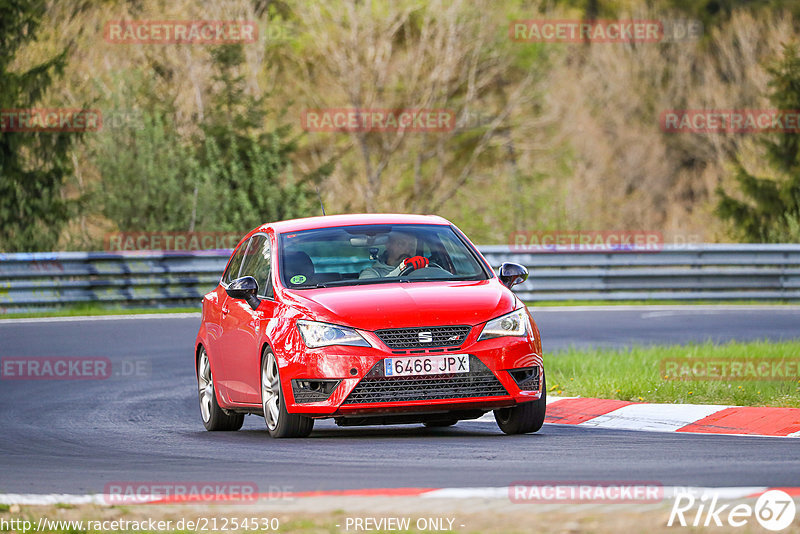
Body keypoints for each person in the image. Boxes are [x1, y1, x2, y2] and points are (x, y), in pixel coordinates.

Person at [359, 231, 429, 278]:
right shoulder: (370, 273)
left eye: (412, 245)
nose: (408, 249)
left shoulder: (423, 270)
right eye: (401, 244)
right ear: (388, 245)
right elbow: (373, 294)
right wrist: (402, 267)